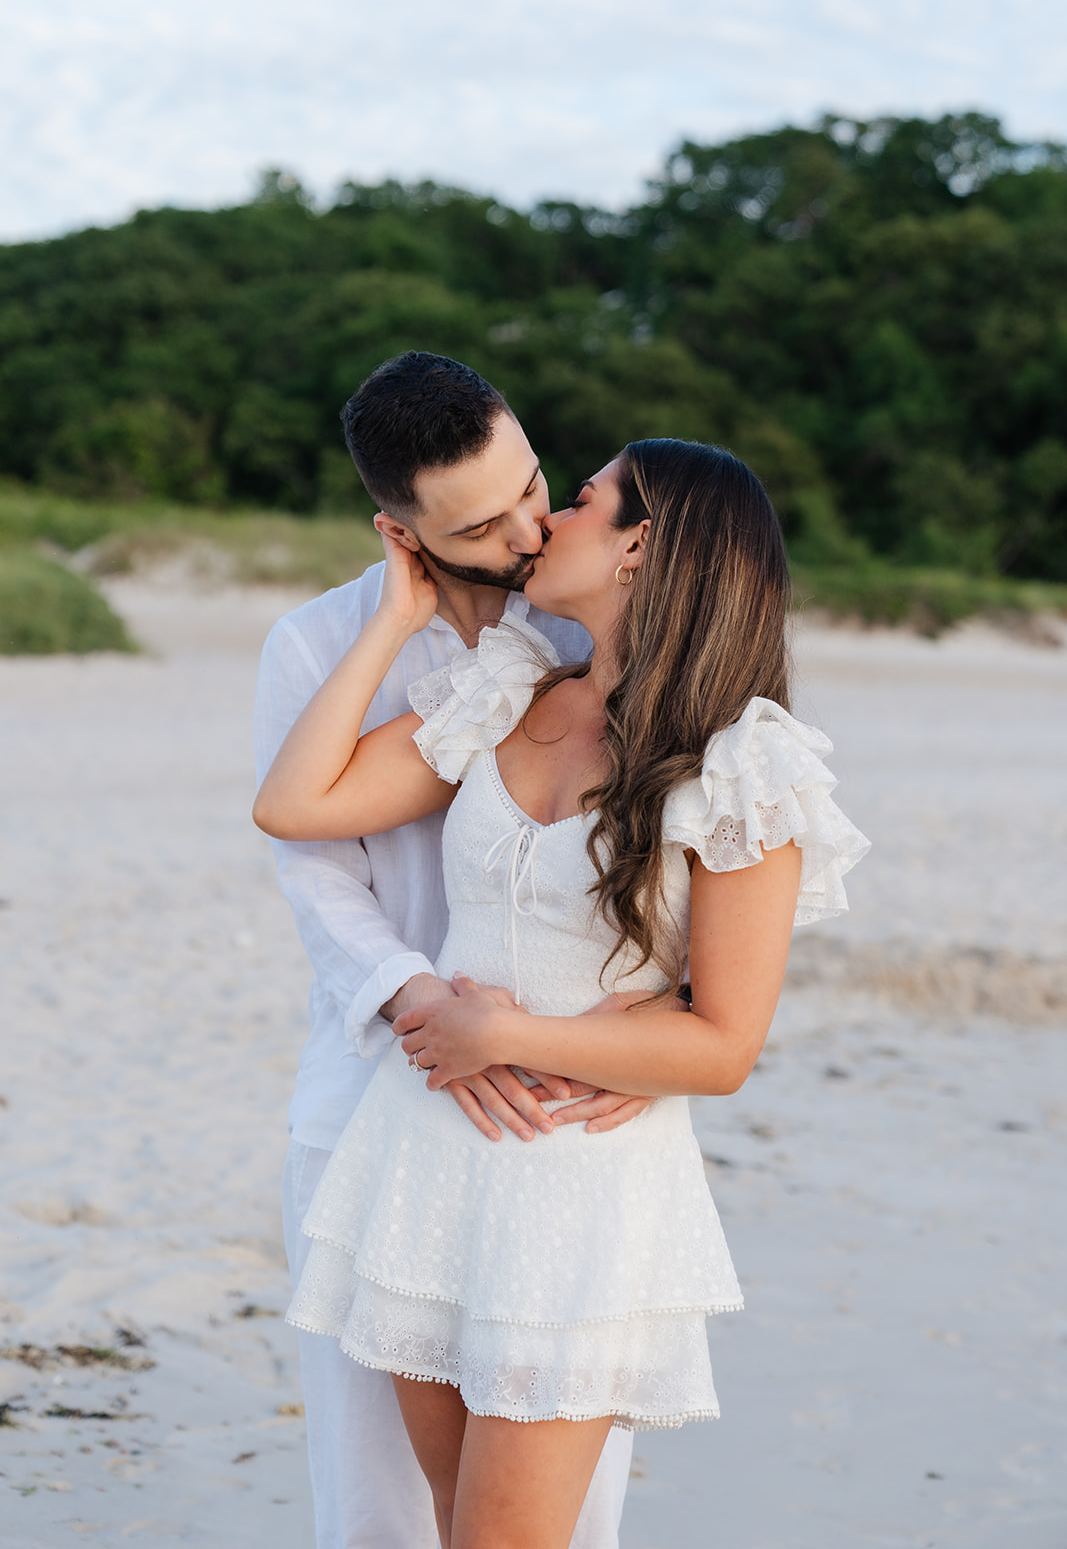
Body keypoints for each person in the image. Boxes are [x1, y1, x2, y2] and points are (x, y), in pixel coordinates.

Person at [255, 434, 870, 1549]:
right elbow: (294, 804)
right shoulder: (503, 695)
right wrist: (394, 617)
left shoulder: (741, 764)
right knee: (446, 1528)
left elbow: (726, 1043)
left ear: (638, 545)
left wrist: (506, 1029)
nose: (545, 526)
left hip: (573, 1189)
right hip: (424, 1161)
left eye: (578, 500)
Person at [254, 352, 648, 1549]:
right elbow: (309, 860)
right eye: (480, 522)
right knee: (376, 1505)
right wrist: (426, 1007)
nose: (529, 528)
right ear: (400, 528)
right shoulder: (317, 646)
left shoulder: (580, 623)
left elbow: (670, 844)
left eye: (533, 484)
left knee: (566, 1516)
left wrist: (637, 1030)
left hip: (554, 1116)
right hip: (373, 1098)